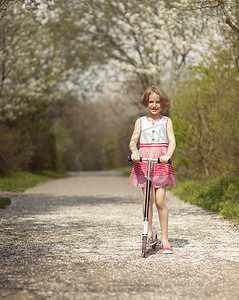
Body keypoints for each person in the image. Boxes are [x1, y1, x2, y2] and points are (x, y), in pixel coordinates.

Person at [129, 86, 176, 254]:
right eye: (151, 102)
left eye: (158, 102)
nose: (154, 105)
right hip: (144, 161)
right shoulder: (141, 121)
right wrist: (134, 151)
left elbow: (171, 141)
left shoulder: (166, 121)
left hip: (161, 162)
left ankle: (164, 238)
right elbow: (134, 141)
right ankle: (148, 232)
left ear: (162, 104)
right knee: (147, 199)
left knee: (159, 201)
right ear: (146, 103)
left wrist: (168, 154)